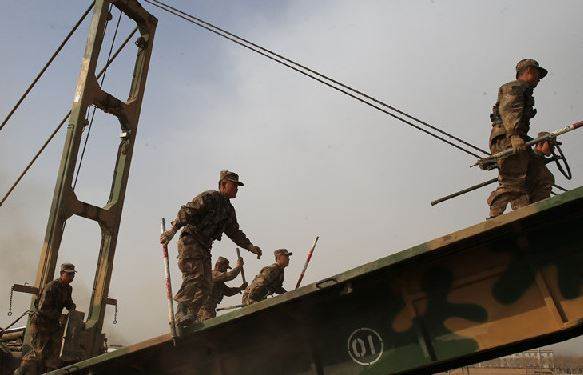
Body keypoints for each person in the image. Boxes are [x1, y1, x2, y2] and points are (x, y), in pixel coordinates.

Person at [160, 170, 262, 327]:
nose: (236, 188)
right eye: (233, 185)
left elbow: (234, 232)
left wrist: (250, 247)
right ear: (223, 184)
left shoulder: (228, 210)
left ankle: (191, 316)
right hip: (191, 240)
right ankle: (181, 312)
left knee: (207, 284)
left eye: (237, 186)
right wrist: (172, 230)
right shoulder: (209, 197)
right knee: (195, 276)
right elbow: (186, 211)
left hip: (205, 246)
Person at [487, 59, 555, 218]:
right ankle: (495, 216)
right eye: (538, 74)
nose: (539, 79)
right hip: (507, 139)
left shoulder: (525, 92)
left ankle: (536, 211)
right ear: (529, 71)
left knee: (541, 177)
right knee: (513, 182)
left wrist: (538, 146)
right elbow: (509, 110)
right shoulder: (515, 87)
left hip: (517, 138)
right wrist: (514, 135)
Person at [15, 263, 77, 374]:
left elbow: (68, 303)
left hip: (52, 325)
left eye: (73, 274)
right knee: (38, 353)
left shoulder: (68, 288)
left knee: (53, 354)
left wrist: (72, 307)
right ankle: (20, 372)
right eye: (69, 274)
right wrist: (56, 318)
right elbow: (42, 308)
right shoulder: (51, 286)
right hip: (41, 323)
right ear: (62, 273)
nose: (72, 276)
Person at [198, 256, 247, 321]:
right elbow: (229, 276)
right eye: (225, 267)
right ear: (218, 265)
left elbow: (229, 292)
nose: (226, 270)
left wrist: (240, 288)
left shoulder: (219, 282)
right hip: (204, 311)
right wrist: (238, 267)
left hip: (210, 310)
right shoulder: (212, 274)